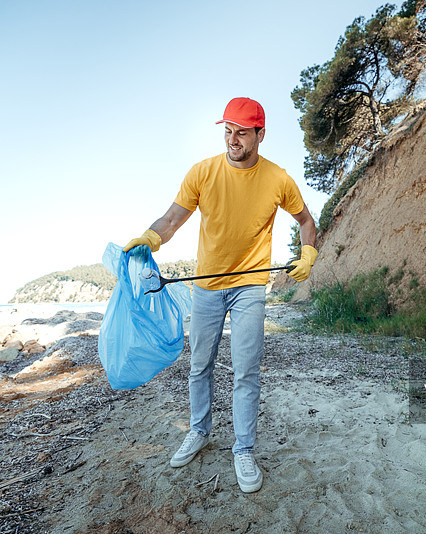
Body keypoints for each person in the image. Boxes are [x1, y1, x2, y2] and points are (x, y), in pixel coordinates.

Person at [123, 97, 317, 493]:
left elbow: (306, 220)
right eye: (228, 131)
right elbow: (173, 217)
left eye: (242, 133)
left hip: (249, 286)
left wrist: (308, 251)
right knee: (199, 367)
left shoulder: (278, 179)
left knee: (246, 370)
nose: (233, 139)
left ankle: (243, 449)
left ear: (260, 135)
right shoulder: (203, 172)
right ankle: (198, 430)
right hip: (207, 286)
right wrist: (151, 236)